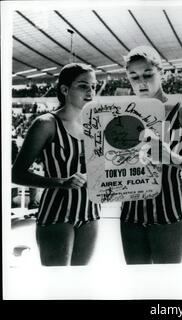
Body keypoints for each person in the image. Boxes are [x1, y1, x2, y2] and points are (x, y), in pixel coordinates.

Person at [121, 46, 182, 264]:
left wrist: (171, 158)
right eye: (134, 76)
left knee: (168, 287)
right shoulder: (121, 113)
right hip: (130, 215)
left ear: (161, 73)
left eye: (148, 74)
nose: (141, 82)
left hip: (168, 213)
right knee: (137, 288)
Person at [12, 63, 100, 266]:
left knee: (80, 282)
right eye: (83, 86)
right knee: (57, 283)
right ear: (64, 89)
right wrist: (61, 182)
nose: (90, 91)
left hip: (91, 213)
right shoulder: (46, 124)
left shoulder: (95, 125)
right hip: (57, 213)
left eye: (94, 86)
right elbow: (16, 174)